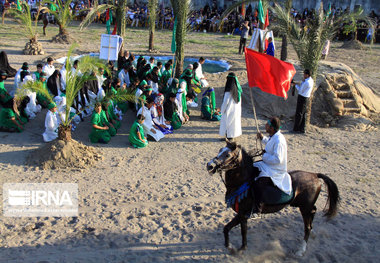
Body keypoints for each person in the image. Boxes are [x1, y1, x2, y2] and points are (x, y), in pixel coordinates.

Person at [251, 117, 292, 217]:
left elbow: (278, 159)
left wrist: (264, 155)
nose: (265, 126)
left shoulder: (279, 141)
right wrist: (262, 138)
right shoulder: (273, 136)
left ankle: (257, 209)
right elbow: (269, 143)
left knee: (260, 183)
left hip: (275, 170)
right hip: (268, 165)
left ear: (272, 128)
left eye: (267, 125)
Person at [219, 72, 242, 141]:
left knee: (227, 123)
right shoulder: (238, 90)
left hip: (229, 110)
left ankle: (229, 137)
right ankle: (231, 136)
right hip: (236, 110)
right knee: (233, 123)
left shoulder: (228, 91)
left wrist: (222, 110)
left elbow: (225, 102)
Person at [291, 69, 314, 133]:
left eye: (304, 74)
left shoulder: (307, 82)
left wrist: (295, 85)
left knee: (299, 113)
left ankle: (296, 129)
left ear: (307, 75)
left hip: (302, 97)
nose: (303, 75)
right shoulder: (311, 80)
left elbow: (300, 90)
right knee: (303, 113)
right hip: (306, 97)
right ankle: (302, 128)